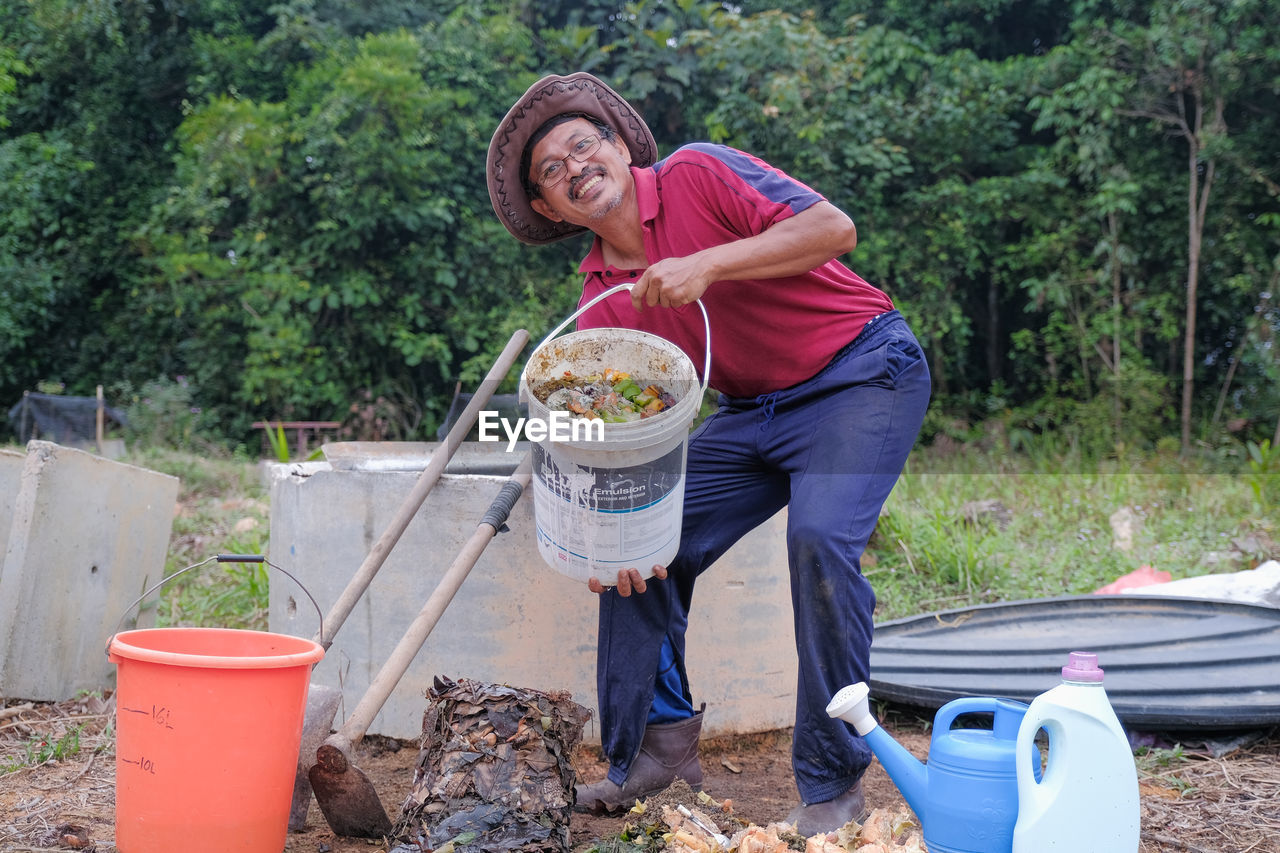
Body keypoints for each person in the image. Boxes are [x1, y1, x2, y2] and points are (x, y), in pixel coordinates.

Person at [487, 72, 931, 835]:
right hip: (749, 412)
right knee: (640, 544)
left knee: (820, 540)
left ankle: (832, 783)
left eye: (582, 146)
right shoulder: (602, 286)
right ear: (548, 208)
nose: (573, 169)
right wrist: (610, 521)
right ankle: (655, 753)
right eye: (551, 173)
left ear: (619, 147)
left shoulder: (697, 173)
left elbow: (834, 229)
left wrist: (711, 264)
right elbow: (639, 422)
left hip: (861, 372)